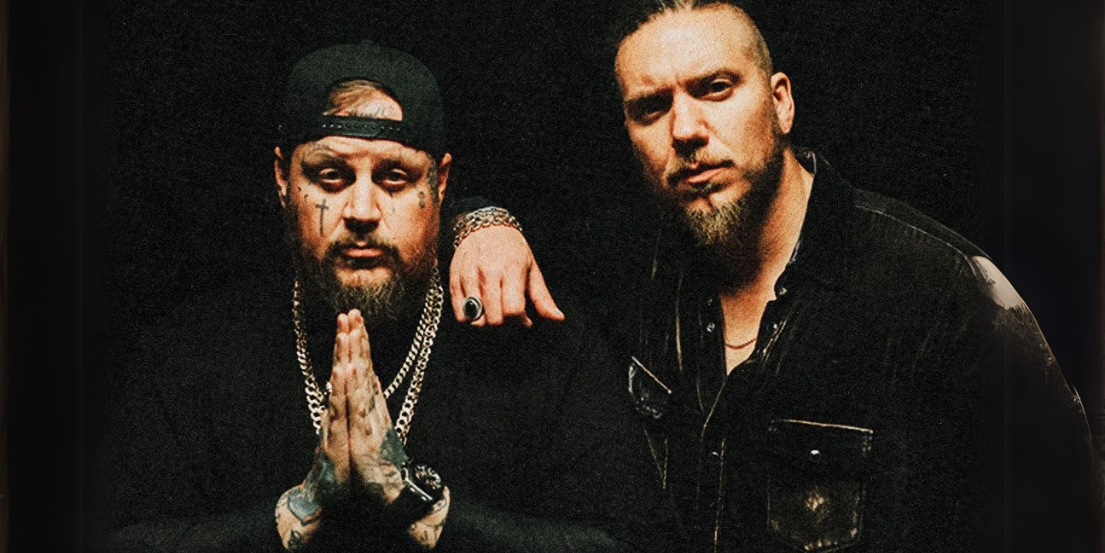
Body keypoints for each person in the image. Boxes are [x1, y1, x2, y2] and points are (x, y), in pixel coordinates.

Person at [454, 2, 1104, 551]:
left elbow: (1067, 518)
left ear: (780, 102)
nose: (685, 130)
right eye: (650, 108)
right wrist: (481, 222)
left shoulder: (939, 290)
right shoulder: (627, 263)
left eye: (715, 88)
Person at [100, 40, 679, 552]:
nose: (361, 210)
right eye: (330, 177)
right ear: (282, 179)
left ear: (440, 184)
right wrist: (301, 509)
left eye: (394, 178)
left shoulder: (533, 341)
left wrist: (420, 506)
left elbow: (630, 543)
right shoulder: (193, 350)